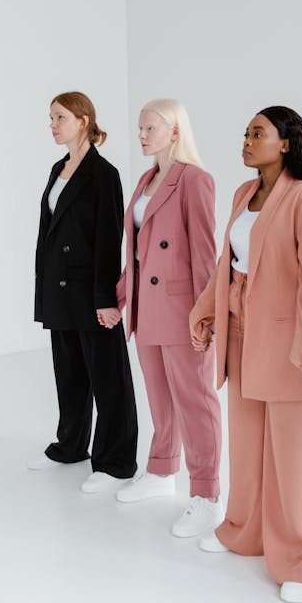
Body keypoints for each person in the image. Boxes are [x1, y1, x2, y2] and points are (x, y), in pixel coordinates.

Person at [190, 106, 302, 603]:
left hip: (290, 343)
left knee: (298, 456)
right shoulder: (242, 194)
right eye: (246, 133)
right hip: (240, 334)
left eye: (259, 133)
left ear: (287, 143)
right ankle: (245, 529)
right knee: (248, 443)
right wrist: (204, 311)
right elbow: (225, 264)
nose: (247, 140)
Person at [114, 99, 223, 538]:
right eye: (140, 128)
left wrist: (205, 313)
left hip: (182, 310)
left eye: (150, 128)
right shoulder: (146, 180)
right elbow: (137, 254)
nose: (141, 134)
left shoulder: (195, 180)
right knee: (160, 399)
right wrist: (119, 298)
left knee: (195, 402)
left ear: (175, 131)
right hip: (147, 308)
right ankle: (161, 472)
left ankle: (207, 495)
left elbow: (204, 253)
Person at [30, 91, 138, 493]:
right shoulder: (59, 167)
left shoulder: (103, 174)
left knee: (107, 376)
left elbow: (110, 239)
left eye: (60, 117)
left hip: (91, 291)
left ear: (83, 120)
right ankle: (71, 445)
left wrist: (106, 299)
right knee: (70, 372)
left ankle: (115, 461)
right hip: (59, 288)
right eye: (51, 118)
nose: (53, 125)